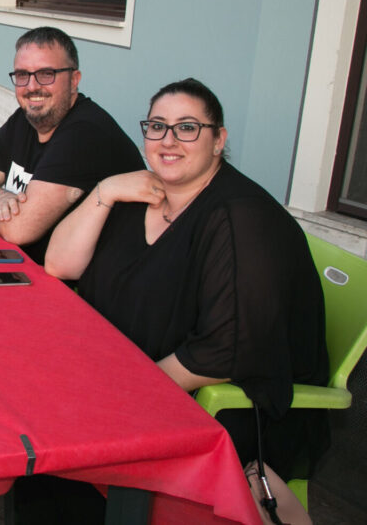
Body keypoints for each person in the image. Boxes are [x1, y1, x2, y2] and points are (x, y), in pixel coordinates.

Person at [46, 78, 329, 489]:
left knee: (53, 439)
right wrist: (105, 191)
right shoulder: (139, 193)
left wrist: (119, 395)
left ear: (218, 140)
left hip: (219, 411)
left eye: (188, 127)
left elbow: (223, 351)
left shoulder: (242, 217)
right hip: (125, 370)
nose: (168, 140)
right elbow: (59, 264)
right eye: (157, 126)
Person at [0, 26, 143, 263]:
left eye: (46, 74)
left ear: (74, 80)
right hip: (26, 265)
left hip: (83, 289)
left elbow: (18, 230)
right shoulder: (24, 120)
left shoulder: (86, 133)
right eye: (22, 75)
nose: (32, 86)